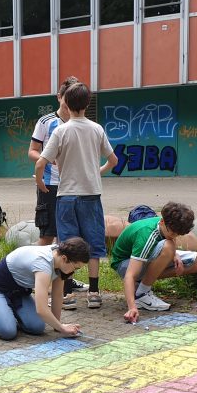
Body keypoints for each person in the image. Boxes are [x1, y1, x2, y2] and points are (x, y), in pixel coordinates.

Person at [38, 82, 118, 310]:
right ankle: (94, 293)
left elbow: (41, 162)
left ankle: (67, 295)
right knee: (94, 243)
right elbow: (113, 160)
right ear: (87, 103)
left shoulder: (61, 131)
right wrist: (97, 171)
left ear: (65, 102)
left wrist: (39, 181)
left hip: (66, 196)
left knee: (67, 244)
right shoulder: (97, 129)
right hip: (91, 195)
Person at [29, 75, 84, 310]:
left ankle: (65, 280)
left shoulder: (80, 122)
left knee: (69, 236)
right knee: (48, 234)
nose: (68, 103)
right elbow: (32, 151)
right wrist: (48, 160)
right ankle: (35, 280)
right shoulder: (46, 122)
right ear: (59, 97)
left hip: (73, 186)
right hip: (50, 186)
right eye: (65, 98)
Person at [110, 202, 197, 324]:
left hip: (146, 257)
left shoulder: (168, 224)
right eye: (172, 233)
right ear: (162, 222)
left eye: (178, 234)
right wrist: (132, 307)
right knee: (168, 246)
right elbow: (129, 275)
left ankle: (142, 283)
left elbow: (168, 238)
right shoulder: (146, 235)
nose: (174, 236)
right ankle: (142, 294)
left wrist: (174, 254)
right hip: (125, 264)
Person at [0, 238, 89, 340]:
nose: (74, 272)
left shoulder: (60, 258)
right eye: (76, 268)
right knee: (8, 331)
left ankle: (7, 310)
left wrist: (58, 326)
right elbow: (41, 309)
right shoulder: (43, 264)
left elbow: (57, 294)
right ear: (64, 258)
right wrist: (62, 328)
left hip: (18, 291)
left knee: (37, 327)